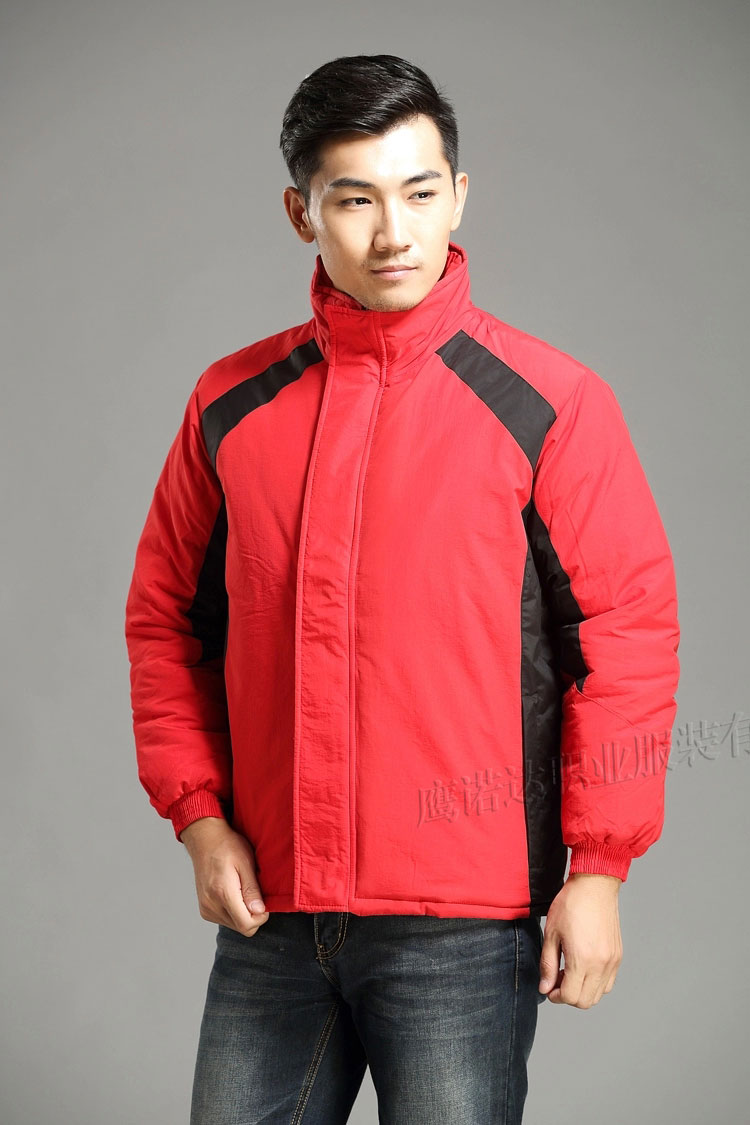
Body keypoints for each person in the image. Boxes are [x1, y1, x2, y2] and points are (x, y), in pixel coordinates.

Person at [124, 53, 680, 1124]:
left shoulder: (549, 403)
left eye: (420, 194)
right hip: (273, 915)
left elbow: (626, 639)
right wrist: (199, 817)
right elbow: (165, 624)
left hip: (463, 927)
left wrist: (600, 868)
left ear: (458, 196)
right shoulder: (231, 404)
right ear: (301, 213)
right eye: (356, 200)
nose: (394, 233)